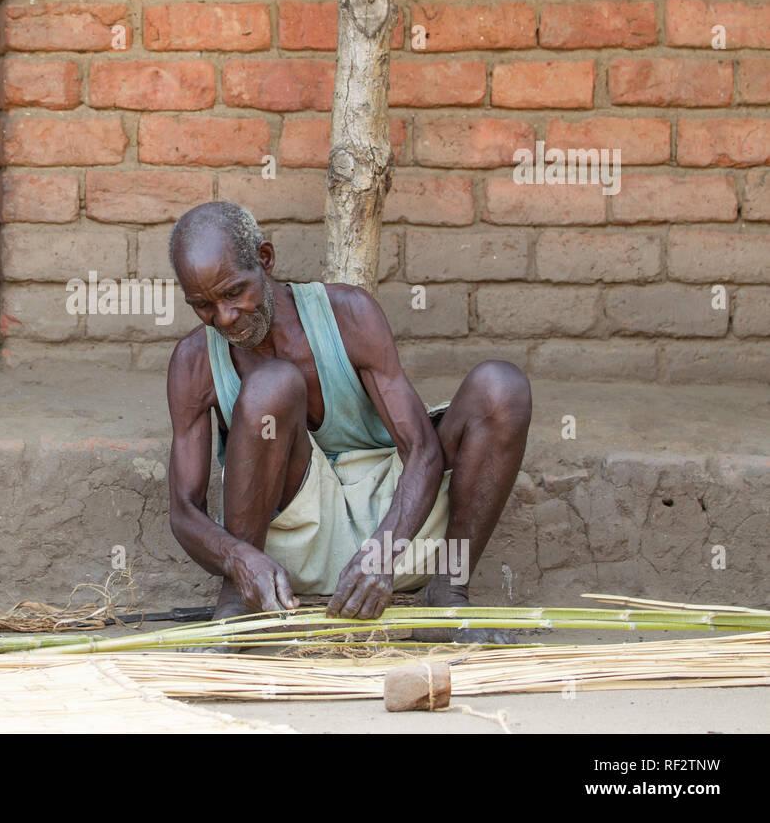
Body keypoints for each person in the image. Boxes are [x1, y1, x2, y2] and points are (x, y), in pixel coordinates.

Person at [164, 201, 532, 643]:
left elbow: (422, 450)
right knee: (271, 388)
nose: (223, 318)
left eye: (233, 293)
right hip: (285, 553)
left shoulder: (349, 313)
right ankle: (238, 604)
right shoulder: (193, 362)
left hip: (396, 533)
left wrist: (382, 553)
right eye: (202, 305)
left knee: (501, 388)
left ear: (265, 259)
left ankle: (448, 589)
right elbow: (184, 510)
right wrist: (239, 560)